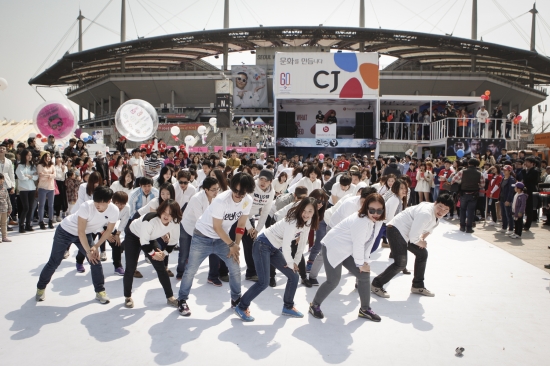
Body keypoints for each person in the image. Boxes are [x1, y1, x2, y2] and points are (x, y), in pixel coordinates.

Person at [176, 173, 255, 317]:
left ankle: (236, 299)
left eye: (241, 192)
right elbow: (217, 227)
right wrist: (231, 244)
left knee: (235, 267)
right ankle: (182, 299)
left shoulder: (247, 201)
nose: (237, 194)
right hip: (202, 236)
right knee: (191, 270)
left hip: (221, 239)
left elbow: (241, 224)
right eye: (235, 190)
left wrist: (236, 245)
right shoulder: (221, 200)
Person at [234, 197, 319, 322]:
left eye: (310, 211)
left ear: (314, 212)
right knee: (263, 282)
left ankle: (288, 306)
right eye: (304, 210)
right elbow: (286, 246)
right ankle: (241, 307)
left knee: (294, 276)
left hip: (274, 248)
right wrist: (290, 263)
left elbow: (302, 243)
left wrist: (295, 261)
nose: (306, 214)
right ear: (300, 209)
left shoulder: (308, 221)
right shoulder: (293, 221)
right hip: (262, 245)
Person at [36, 186, 119, 304]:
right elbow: (80, 231)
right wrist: (88, 251)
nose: (97, 205)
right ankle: (40, 288)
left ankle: (100, 291)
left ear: (109, 201)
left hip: (86, 233)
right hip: (65, 231)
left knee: (95, 260)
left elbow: (108, 231)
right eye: (96, 202)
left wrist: (95, 246)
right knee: (54, 261)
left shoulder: (114, 210)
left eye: (100, 203)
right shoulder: (87, 206)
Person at [309, 193, 385, 321]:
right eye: (372, 210)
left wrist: (365, 262)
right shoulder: (361, 221)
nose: (375, 213)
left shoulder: (377, 221)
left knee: (364, 275)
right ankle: (314, 305)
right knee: (333, 280)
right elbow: (359, 244)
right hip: (332, 247)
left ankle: (365, 309)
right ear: (366, 208)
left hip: (346, 250)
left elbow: (369, 242)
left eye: (379, 210)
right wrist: (361, 264)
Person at [371, 194, 453, 298]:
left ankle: (417, 286)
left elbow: (428, 230)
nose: (441, 211)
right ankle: (376, 284)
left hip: (407, 234)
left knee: (422, 253)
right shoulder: (426, 213)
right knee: (401, 263)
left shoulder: (437, 215)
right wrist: (421, 242)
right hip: (396, 230)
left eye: (446, 209)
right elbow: (414, 238)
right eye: (440, 206)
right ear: (435, 203)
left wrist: (422, 239)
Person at [122, 199, 182, 308]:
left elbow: (173, 241)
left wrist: (163, 253)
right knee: (130, 267)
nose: (166, 216)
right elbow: (144, 243)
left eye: (170, 214)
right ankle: (127, 297)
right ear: (160, 210)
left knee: (161, 267)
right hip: (133, 236)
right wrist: (154, 254)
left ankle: (170, 297)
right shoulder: (150, 220)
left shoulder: (175, 222)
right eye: (164, 212)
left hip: (149, 238)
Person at [176, 177, 220, 280]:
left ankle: (212, 275)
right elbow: (200, 219)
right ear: (206, 189)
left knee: (210, 251)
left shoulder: (217, 198)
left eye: (217, 188)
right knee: (184, 253)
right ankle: (180, 272)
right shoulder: (197, 198)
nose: (216, 191)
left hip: (203, 227)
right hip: (188, 226)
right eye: (213, 189)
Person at [241, 169, 275, 282]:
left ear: (270, 182)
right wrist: (249, 228)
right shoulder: (251, 187)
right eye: (261, 179)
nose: (263, 182)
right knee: (228, 244)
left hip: (249, 217)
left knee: (251, 245)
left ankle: (251, 273)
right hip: (236, 215)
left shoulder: (271, 192)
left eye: (266, 180)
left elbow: (265, 212)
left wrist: (257, 229)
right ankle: (221, 271)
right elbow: (242, 208)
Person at [453, 158, 484, 233]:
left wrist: (461, 182)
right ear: (476, 165)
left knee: (462, 210)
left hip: (463, 193)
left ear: (468, 164)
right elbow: (482, 184)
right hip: (474, 194)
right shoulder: (479, 173)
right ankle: (469, 228)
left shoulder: (462, 171)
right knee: (471, 211)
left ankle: (462, 226)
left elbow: (454, 179)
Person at [16, 149, 38, 233]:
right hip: (23, 188)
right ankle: (21, 225)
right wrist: (31, 176)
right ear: (24, 156)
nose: (30, 157)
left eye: (31, 155)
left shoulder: (33, 166)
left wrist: (28, 176)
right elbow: (21, 177)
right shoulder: (20, 166)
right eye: (28, 155)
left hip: (32, 188)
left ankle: (28, 224)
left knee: (31, 207)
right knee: (26, 207)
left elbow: (36, 177)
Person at [37, 152, 56, 230]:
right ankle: (41, 221)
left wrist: (47, 175)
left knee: (51, 205)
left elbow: (54, 175)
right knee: (42, 205)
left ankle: (50, 220)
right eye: (46, 156)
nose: (48, 158)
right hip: (42, 187)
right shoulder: (40, 165)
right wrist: (49, 175)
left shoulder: (52, 166)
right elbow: (40, 176)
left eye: (49, 156)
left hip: (51, 187)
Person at [522, 157, 540, 231]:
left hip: (531, 191)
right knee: (525, 208)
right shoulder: (527, 170)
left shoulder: (535, 171)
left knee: (529, 208)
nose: (526, 163)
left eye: (528, 162)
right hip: (526, 190)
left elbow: (527, 179)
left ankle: (527, 225)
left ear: (532, 163)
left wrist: (523, 171)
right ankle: (524, 223)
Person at [498, 165, 516, 235]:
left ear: (509, 171)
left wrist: (508, 200)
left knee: (508, 214)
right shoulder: (503, 178)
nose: (504, 171)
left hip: (507, 199)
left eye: (505, 170)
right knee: (503, 214)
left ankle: (511, 228)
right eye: (503, 170)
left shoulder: (511, 179)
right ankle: (504, 227)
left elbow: (511, 191)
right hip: (502, 198)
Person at [53, 156, 68, 222]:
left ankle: (59, 214)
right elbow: (55, 175)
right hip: (55, 183)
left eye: (59, 158)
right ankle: (54, 215)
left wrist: (62, 170)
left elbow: (65, 175)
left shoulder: (64, 166)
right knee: (56, 199)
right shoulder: (54, 166)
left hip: (62, 183)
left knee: (62, 199)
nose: (58, 159)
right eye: (57, 157)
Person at [0, 173, 12, 243]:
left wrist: (10, 207)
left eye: (2, 179)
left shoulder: (4, 189)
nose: (1, 181)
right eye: (0, 179)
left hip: (4, 208)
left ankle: (4, 236)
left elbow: (8, 199)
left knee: (4, 223)